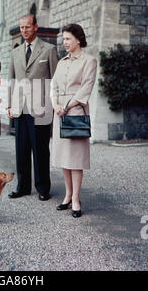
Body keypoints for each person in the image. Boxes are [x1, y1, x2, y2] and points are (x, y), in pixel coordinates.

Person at [7, 14, 58, 201]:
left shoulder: (49, 50)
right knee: (21, 149)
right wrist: (8, 105)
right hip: (20, 107)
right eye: (21, 28)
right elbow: (11, 81)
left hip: (41, 108)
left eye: (27, 27)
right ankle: (23, 187)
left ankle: (43, 188)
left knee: (40, 149)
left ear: (36, 27)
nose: (24, 30)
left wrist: (54, 105)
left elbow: (55, 81)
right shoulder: (16, 52)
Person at [50, 24, 97, 218]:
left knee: (75, 159)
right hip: (59, 113)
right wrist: (55, 105)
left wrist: (67, 106)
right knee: (64, 158)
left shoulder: (89, 61)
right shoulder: (61, 62)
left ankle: (76, 198)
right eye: (63, 39)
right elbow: (53, 85)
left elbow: (86, 87)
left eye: (68, 39)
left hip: (76, 111)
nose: (65, 42)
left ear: (78, 39)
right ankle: (67, 195)